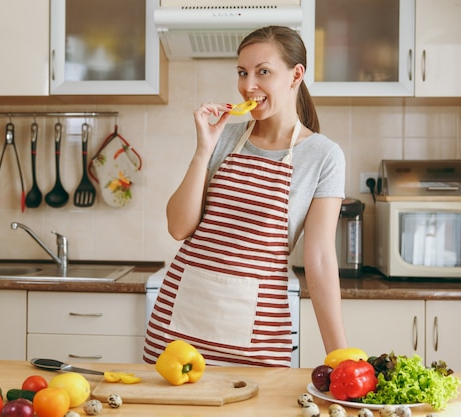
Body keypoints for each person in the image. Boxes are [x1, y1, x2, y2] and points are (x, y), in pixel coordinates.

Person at [143, 26, 347, 367]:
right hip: (177, 333)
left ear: (296, 75)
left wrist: (340, 357)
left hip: (257, 338)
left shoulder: (322, 156)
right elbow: (179, 227)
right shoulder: (224, 136)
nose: (247, 85)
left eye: (262, 72)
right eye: (242, 72)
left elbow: (322, 260)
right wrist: (203, 150)